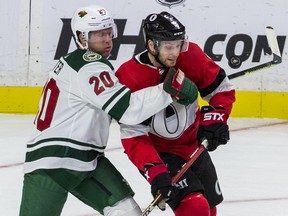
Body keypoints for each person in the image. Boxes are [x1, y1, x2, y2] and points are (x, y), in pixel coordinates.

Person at [19, 6, 198, 216]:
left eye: (108, 32)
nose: (107, 40)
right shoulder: (90, 65)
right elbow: (128, 110)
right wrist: (169, 90)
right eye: (98, 34)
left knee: (127, 211)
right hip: (54, 160)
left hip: (84, 159)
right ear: (82, 38)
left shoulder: (74, 63)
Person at [115, 12, 236, 215]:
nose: (175, 53)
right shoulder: (128, 76)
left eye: (178, 45)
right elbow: (133, 135)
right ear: (151, 45)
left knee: (210, 208)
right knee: (195, 207)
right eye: (168, 47)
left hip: (192, 144)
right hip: (160, 153)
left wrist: (216, 118)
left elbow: (221, 89)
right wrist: (155, 169)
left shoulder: (190, 56)